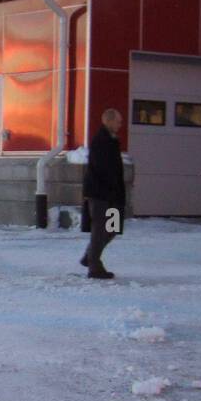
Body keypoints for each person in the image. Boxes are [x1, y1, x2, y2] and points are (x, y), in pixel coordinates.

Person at [81, 108, 126, 279]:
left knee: (112, 228)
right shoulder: (101, 141)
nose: (120, 125)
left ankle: (90, 256)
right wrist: (110, 188)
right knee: (100, 229)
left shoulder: (112, 141)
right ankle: (94, 265)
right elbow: (103, 169)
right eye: (118, 121)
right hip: (100, 194)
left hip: (112, 195)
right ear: (109, 121)